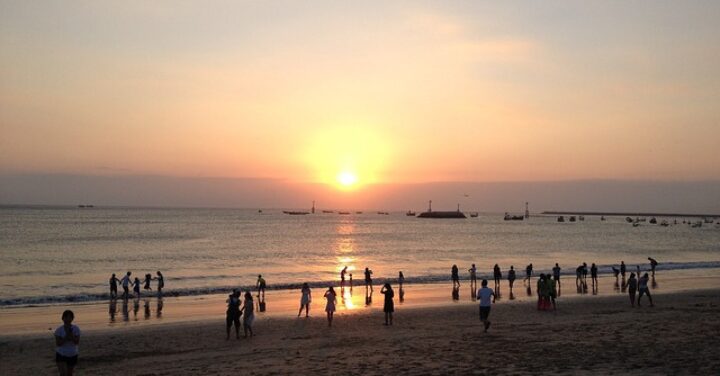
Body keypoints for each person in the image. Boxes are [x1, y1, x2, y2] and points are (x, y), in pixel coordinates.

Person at [55, 310, 80, 376]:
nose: (68, 319)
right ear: (63, 318)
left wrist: (71, 335)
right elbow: (58, 343)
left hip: (72, 354)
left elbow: (76, 342)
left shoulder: (76, 329)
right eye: (66, 317)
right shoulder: (59, 330)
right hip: (61, 354)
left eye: (70, 317)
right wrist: (66, 336)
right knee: (63, 373)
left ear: (72, 318)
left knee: (69, 373)